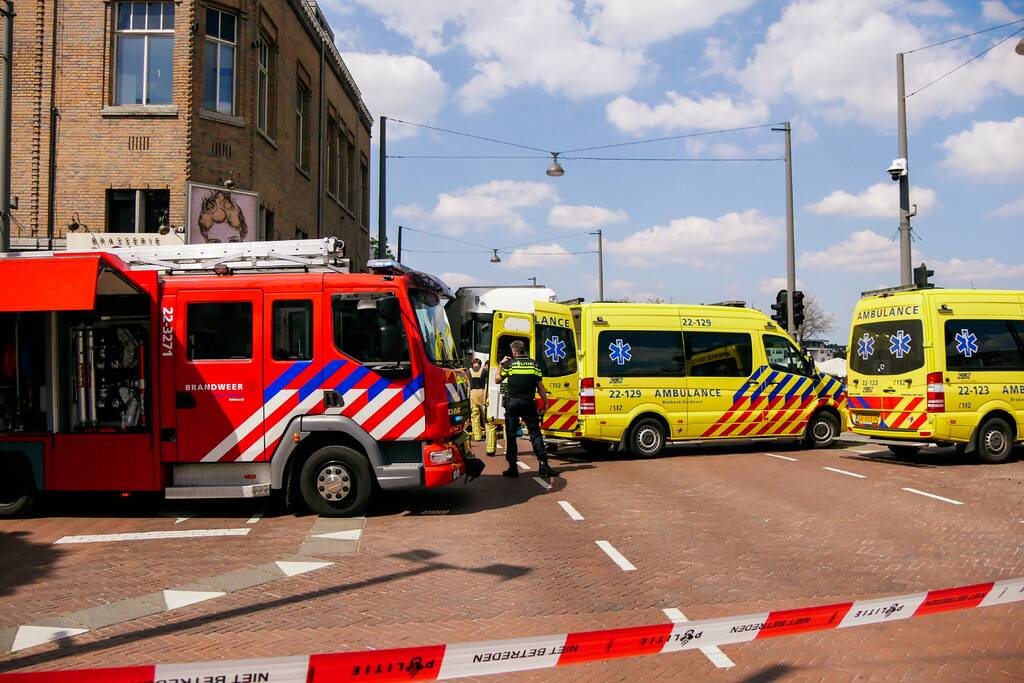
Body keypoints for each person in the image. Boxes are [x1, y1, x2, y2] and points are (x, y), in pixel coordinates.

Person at [497, 340, 559, 478]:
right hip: (528, 403)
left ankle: (513, 468)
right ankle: (543, 465)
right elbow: (540, 386)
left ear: (513, 352)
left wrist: (501, 365)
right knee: (535, 433)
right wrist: (545, 402)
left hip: (512, 404)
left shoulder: (510, 364)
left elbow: (497, 380)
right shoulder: (534, 364)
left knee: (511, 435)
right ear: (524, 350)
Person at [468, 357, 487, 440]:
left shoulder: (469, 371)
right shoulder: (485, 370)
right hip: (483, 392)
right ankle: (488, 432)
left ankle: (477, 436)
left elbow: (468, 384)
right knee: (485, 415)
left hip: (473, 393)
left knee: (475, 415)